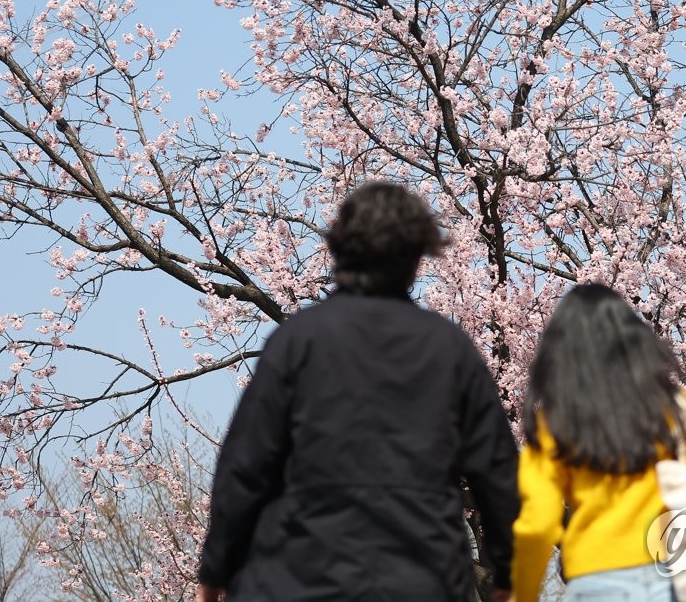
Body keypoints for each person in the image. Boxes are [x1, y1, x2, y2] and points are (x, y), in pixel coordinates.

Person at [195, 182, 520, 602]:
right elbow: (497, 475)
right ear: (417, 258)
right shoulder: (449, 350)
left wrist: (216, 567)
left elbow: (245, 465)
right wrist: (509, 574)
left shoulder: (296, 342)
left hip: (298, 577)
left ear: (338, 249)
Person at [511, 283, 686, 602]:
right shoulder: (677, 408)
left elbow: (538, 523)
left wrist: (522, 592)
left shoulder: (555, 421)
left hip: (595, 580)